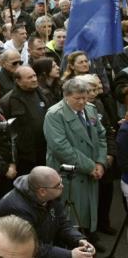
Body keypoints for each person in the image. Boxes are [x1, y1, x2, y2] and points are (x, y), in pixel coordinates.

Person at [43, 78, 107, 248]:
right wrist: (90, 166)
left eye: (85, 97)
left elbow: (101, 136)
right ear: (66, 96)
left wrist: (100, 162)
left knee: (89, 210)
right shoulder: (55, 115)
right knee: (70, 216)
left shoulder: (90, 109)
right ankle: (71, 247)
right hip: (70, 174)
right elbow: (61, 147)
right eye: (77, 98)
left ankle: (88, 240)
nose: (82, 102)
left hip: (92, 170)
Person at [0, 166, 95, 258]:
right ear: (42, 191)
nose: (62, 186)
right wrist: (69, 255)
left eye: (61, 181)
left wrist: (79, 240)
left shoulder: (49, 195)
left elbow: (62, 223)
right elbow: (30, 247)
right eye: (58, 185)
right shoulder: (17, 209)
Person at [0, 66, 51, 176]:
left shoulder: (43, 94)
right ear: (18, 81)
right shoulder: (8, 101)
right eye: (29, 77)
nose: (34, 79)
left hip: (45, 149)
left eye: (34, 76)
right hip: (25, 156)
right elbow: (7, 134)